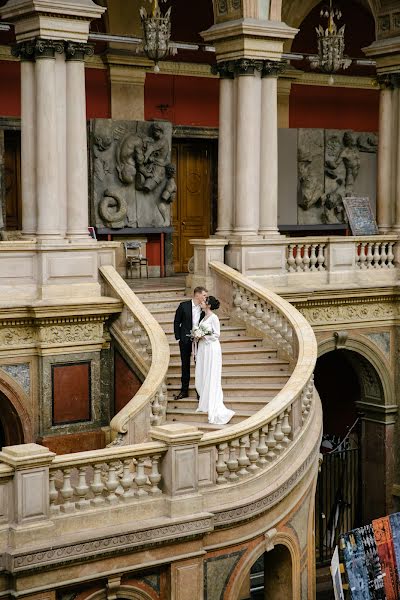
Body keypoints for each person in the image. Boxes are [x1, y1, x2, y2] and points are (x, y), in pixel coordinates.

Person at [195, 296, 235, 425]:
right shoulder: (203, 317)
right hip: (202, 348)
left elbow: (217, 334)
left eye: (204, 302)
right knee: (203, 372)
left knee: (211, 373)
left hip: (211, 348)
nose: (201, 303)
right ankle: (205, 401)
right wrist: (196, 335)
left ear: (209, 305)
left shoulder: (214, 318)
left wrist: (203, 335)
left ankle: (212, 403)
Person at [173, 286, 208, 400]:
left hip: (199, 341)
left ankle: (199, 392)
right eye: (204, 295)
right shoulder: (184, 306)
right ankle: (184, 391)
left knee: (199, 366)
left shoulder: (204, 308)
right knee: (185, 365)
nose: (205, 297)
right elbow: (177, 321)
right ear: (197, 295)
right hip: (185, 341)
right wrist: (179, 337)